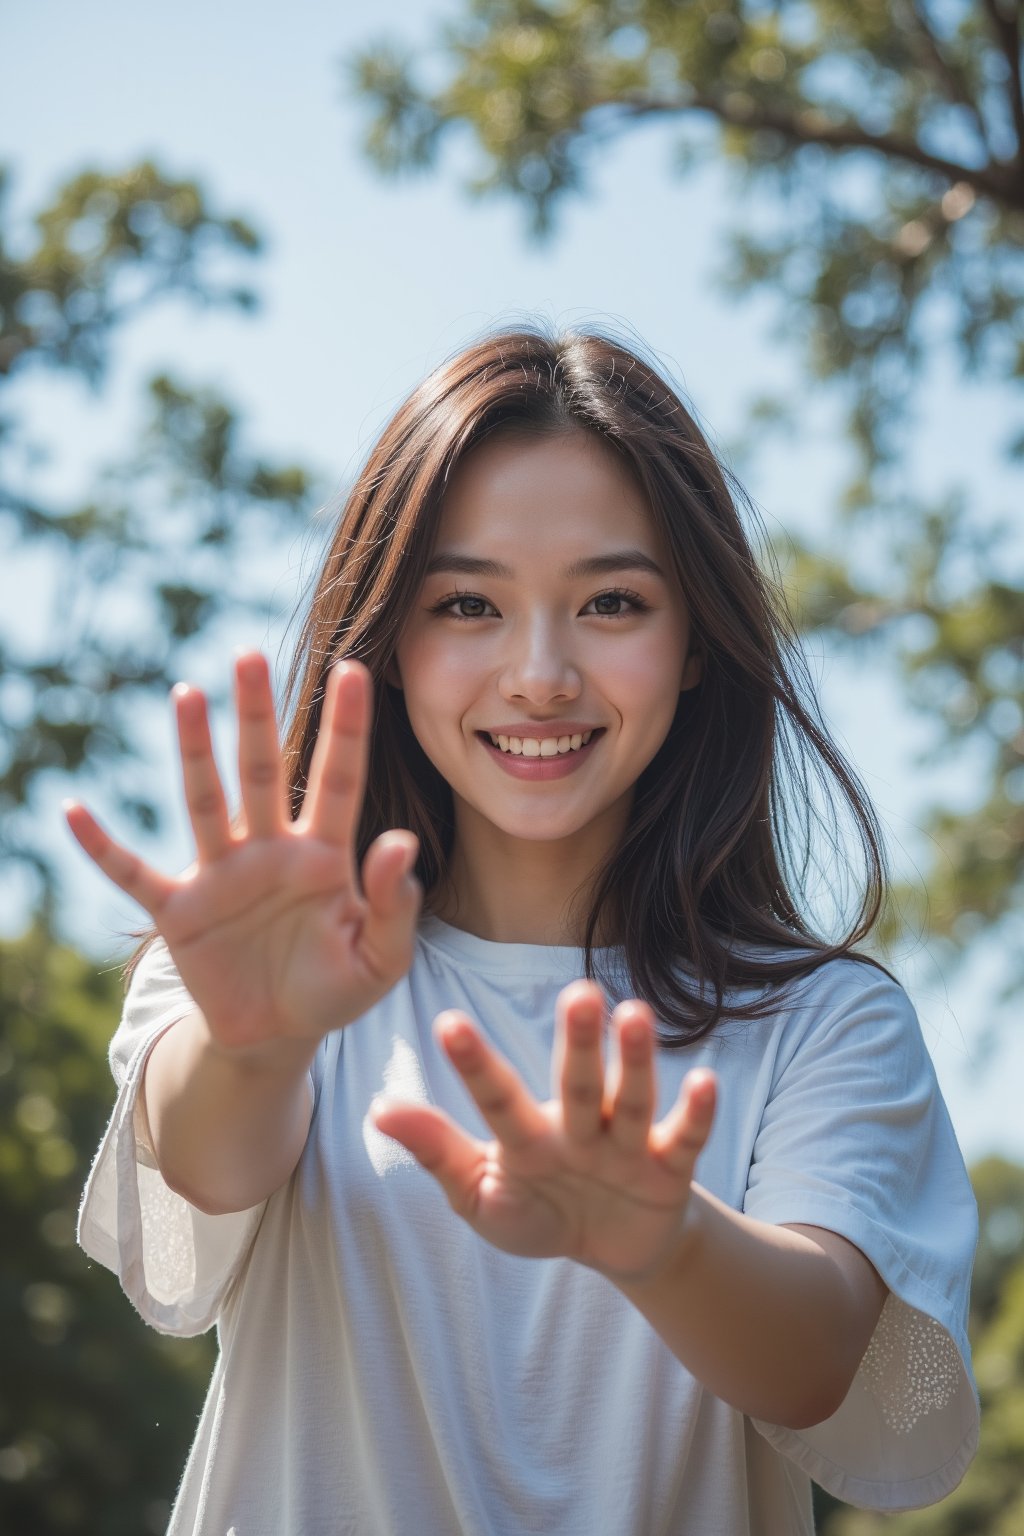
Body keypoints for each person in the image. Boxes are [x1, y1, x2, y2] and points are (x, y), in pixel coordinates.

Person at [69, 326, 979, 1536]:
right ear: (390, 642)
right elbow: (207, 1161)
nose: (540, 673)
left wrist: (656, 1239)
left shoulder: (822, 1021)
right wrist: (256, 1041)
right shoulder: (274, 956)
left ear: (698, 639)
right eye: (467, 604)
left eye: (610, 601)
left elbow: (811, 1358)